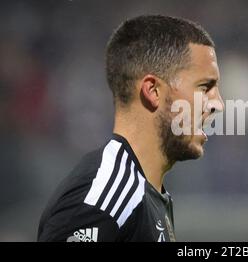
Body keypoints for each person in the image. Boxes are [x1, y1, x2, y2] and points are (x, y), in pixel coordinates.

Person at [37, 15, 224, 242]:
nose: (218, 104)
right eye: (205, 87)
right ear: (153, 91)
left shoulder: (144, 193)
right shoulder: (104, 197)